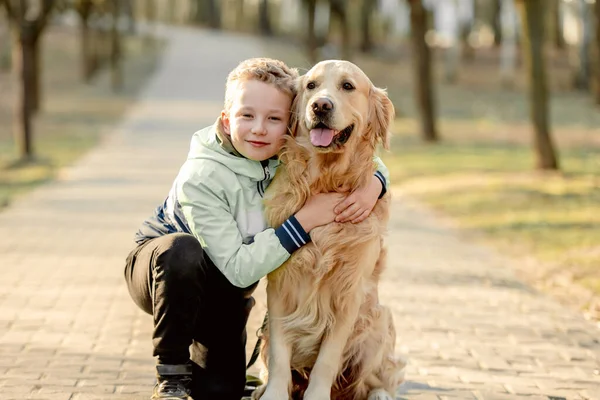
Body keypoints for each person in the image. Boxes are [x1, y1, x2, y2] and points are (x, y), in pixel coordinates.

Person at [123, 58, 390, 400]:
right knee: (182, 252)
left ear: (291, 123)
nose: (260, 129)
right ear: (226, 119)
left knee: (222, 391)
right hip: (164, 273)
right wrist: (305, 219)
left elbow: (362, 151)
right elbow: (239, 269)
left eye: (274, 118)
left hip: (222, 289)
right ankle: (171, 375)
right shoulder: (201, 177)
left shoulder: (283, 153)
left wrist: (375, 184)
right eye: (246, 116)